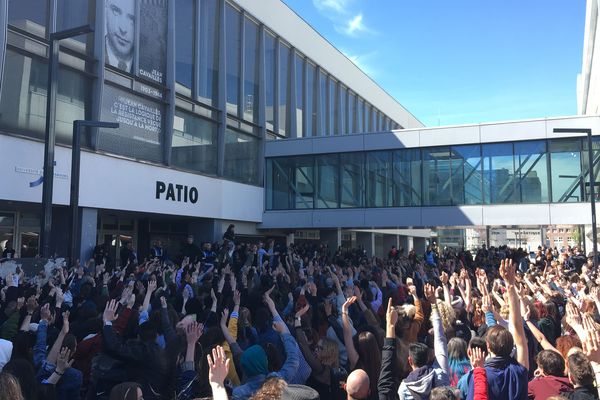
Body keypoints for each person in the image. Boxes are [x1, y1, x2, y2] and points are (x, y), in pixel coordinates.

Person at [105, 0, 135, 73]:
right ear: (105, 9)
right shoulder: (91, 50)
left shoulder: (147, 69)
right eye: (116, 12)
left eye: (133, 19)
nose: (123, 29)